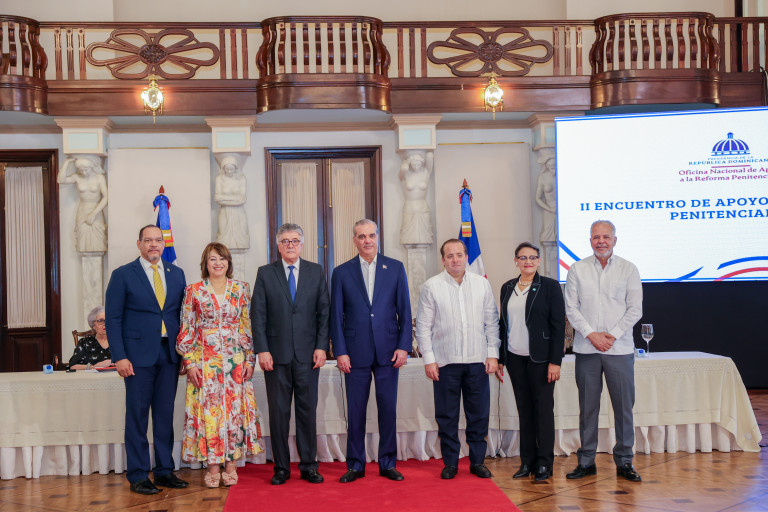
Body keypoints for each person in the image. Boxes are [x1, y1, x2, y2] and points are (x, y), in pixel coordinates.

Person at [105, 225, 188, 495]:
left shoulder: (177, 273)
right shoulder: (122, 275)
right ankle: (139, 475)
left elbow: (183, 317)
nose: (154, 244)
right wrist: (119, 356)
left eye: (158, 240)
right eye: (148, 240)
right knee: (137, 417)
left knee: (164, 415)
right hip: (136, 358)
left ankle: (164, 471)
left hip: (169, 355)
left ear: (164, 244)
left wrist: (185, 355)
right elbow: (113, 319)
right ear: (139, 243)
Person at [330, 219, 412, 483]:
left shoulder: (395, 268)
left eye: (371, 235)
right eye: (362, 236)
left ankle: (388, 463)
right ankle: (355, 465)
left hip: (389, 352)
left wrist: (404, 346)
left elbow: (405, 310)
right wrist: (340, 351)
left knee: (388, 409)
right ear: (354, 240)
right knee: (356, 412)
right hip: (355, 353)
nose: (367, 240)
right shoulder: (341, 272)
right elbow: (336, 316)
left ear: (378, 237)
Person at [176, 242, 264, 488]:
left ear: (228, 262)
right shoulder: (193, 290)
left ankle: (231, 466)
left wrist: (250, 358)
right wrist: (190, 363)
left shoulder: (241, 289)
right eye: (213, 259)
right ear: (205, 263)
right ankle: (213, 467)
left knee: (234, 413)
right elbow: (187, 327)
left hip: (235, 362)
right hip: (204, 363)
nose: (218, 263)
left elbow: (247, 325)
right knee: (209, 414)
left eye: (222, 259)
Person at [251, 223, 330, 485]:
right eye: (285, 241)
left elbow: (324, 313)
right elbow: (258, 315)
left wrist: (321, 346)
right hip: (275, 356)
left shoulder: (316, 271)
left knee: (307, 412)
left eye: (295, 240)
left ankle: (309, 466)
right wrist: (262, 349)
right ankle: (281, 468)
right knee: (279, 413)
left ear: (302, 244)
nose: (290, 245)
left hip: (309, 355)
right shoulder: (265, 273)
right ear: (278, 245)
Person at [564, 220, 643, 482]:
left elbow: (635, 309)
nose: (601, 241)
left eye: (606, 237)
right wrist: (592, 335)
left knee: (623, 408)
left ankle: (625, 461)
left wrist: (612, 336)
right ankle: (586, 461)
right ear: (590, 240)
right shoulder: (577, 269)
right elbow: (571, 308)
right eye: (596, 237)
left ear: (614, 240)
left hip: (619, 349)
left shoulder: (629, 269)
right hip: (587, 349)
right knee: (588, 408)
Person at [415, 238, 500, 479]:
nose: (455, 260)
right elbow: (423, 327)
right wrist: (429, 359)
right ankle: (450, 463)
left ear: (466, 257)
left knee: (478, 415)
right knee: (447, 416)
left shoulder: (482, 284)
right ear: (443, 260)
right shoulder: (432, 286)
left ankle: (477, 462)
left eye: (459, 255)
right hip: (445, 362)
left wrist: (493, 354)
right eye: (450, 256)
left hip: (477, 361)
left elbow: (491, 322)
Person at [496, 242, 565, 482]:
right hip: (515, 358)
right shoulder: (507, 287)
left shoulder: (550, 286)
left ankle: (544, 463)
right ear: (516, 261)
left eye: (532, 257)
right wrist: (501, 358)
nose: (528, 261)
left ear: (539, 261)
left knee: (543, 411)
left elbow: (558, 326)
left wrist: (555, 361)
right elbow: (503, 324)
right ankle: (527, 462)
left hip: (542, 360)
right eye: (523, 257)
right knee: (524, 410)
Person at [57, 156, 108, 253]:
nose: (84, 172)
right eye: (81, 170)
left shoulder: (99, 178)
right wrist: (66, 163)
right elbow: (60, 180)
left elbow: (106, 197)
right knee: (83, 243)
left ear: (91, 167)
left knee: (98, 243)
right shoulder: (77, 177)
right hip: (82, 211)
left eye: (86, 169)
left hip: (96, 211)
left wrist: (93, 214)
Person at [398, 150, 434, 245]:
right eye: (414, 164)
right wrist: (406, 163)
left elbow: (430, 155)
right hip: (409, 207)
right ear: (410, 164)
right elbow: (402, 171)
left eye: (418, 164)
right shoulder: (406, 175)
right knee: (408, 238)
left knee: (424, 238)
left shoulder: (426, 173)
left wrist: (427, 147)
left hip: (423, 207)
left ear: (422, 163)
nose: (416, 166)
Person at [214, 156, 250, 250]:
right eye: (227, 169)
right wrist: (235, 199)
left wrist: (224, 199)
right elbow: (217, 198)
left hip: (239, 212)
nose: (229, 171)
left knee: (242, 234)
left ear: (235, 168)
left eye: (231, 169)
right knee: (222, 237)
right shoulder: (219, 179)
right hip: (224, 212)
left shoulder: (241, 179)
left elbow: (243, 199)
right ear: (223, 168)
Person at [68, 305, 112, 370]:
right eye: (100, 321)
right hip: (92, 376)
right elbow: (72, 366)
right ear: (93, 325)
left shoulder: (119, 341)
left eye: (107, 320)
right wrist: (94, 367)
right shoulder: (84, 342)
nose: (105, 324)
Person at [535, 151, 557, 243]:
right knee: (548, 239)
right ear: (547, 166)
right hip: (549, 211)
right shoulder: (543, 177)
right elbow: (538, 198)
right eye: (551, 167)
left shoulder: (564, 176)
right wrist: (550, 209)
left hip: (562, 212)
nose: (553, 169)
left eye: (554, 166)